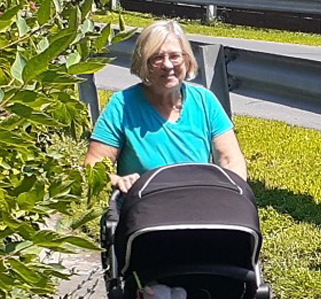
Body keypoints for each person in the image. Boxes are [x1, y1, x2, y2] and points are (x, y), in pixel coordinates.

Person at [85, 19, 247, 187]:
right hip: (145, 205)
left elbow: (230, 160)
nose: (168, 65)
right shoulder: (122, 106)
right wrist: (119, 181)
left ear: (187, 60)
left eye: (175, 56)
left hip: (200, 201)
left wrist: (232, 190)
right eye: (157, 58)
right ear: (144, 63)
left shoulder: (205, 101)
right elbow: (93, 165)